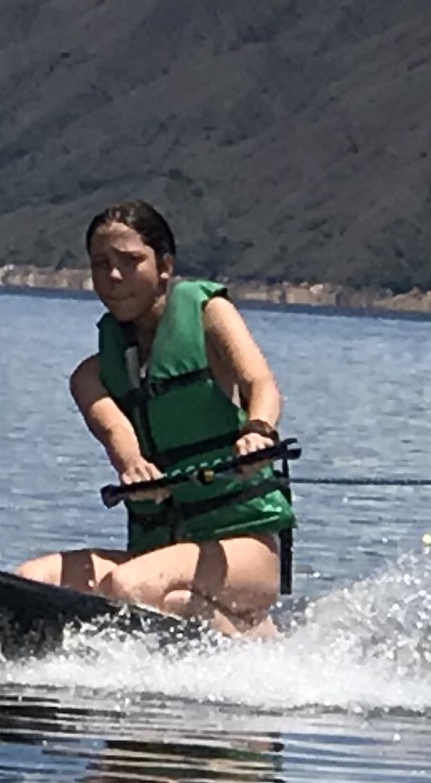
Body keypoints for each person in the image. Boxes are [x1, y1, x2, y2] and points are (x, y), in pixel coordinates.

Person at [15, 199, 295, 634]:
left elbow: (262, 384)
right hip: (161, 550)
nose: (113, 276)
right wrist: (132, 468)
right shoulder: (91, 377)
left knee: (129, 586)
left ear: (164, 265)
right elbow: (116, 432)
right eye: (101, 264)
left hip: (242, 551)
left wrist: (257, 432)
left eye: (130, 262)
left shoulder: (208, 315)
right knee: (31, 582)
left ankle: (258, 647)